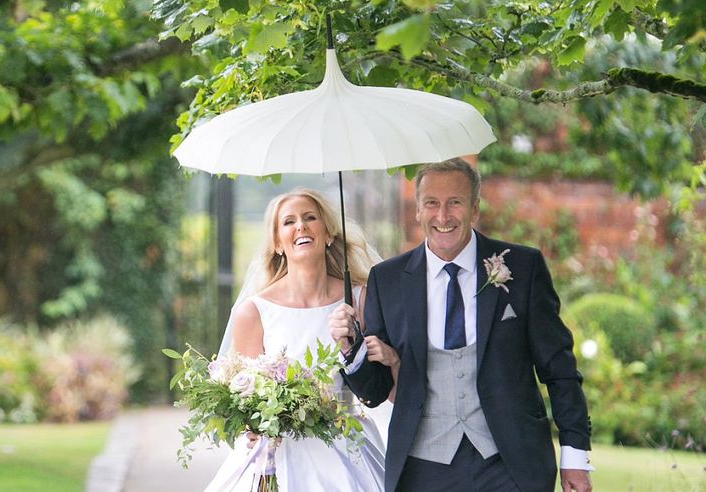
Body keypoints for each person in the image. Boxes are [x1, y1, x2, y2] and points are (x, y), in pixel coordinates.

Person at [329, 158, 593, 492]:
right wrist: (351, 349)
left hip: (510, 463)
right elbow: (376, 390)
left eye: (455, 202)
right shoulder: (388, 279)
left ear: (475, 209)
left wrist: (574, 457)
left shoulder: (522, 267)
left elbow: (560, 369)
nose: (443, 216)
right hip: (422, 465)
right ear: (418, 211)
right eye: (432, 204)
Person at [205, 188, 389, 492]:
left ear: (328, 233)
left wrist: (354, 343)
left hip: (345, 449)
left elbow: (377, 383)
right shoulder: (254, 313)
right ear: (277, 243)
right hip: (278, 454)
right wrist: (250, 427)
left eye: (310, 218)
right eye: (288, 222)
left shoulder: (358, 299)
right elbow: (242, 398)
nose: (301, 226)